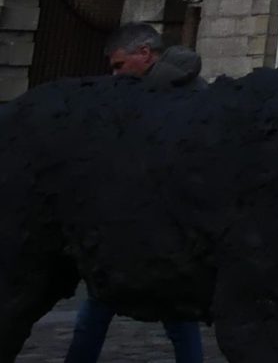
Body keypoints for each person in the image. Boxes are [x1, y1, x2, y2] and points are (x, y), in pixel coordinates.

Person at [65, 23, 205, 363]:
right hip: (147, 226)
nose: (115, 75)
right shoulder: (179, 90)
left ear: (145, 54)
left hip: (153, 226)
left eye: (119, 65)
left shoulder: (165, 96)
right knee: (170, 319)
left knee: (106, 312)